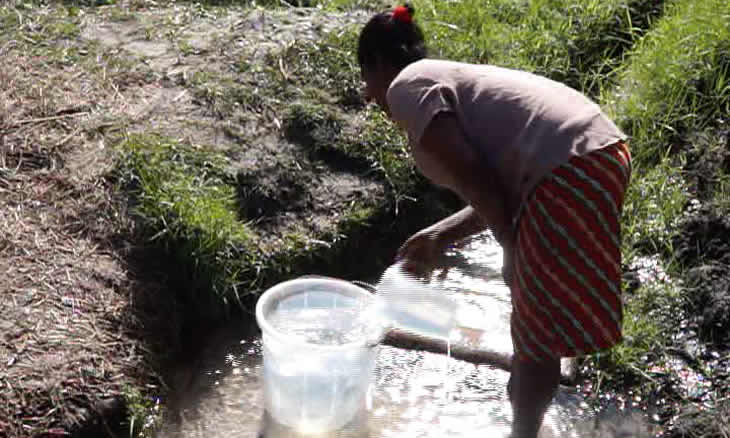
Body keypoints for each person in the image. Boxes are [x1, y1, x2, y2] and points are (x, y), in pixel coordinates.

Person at [357, 4, 632, 438]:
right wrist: (439, 234)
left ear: (380, 64)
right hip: (596, 156)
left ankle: (522, 431)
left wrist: (510, 248)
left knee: (535, 333)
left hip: (568, 169)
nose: (369, 93)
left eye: (366, 77)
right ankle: (526, 422)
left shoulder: (407, 86)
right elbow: (498, 188)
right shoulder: (441, 76)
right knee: (537, 327)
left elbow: (481, 183)